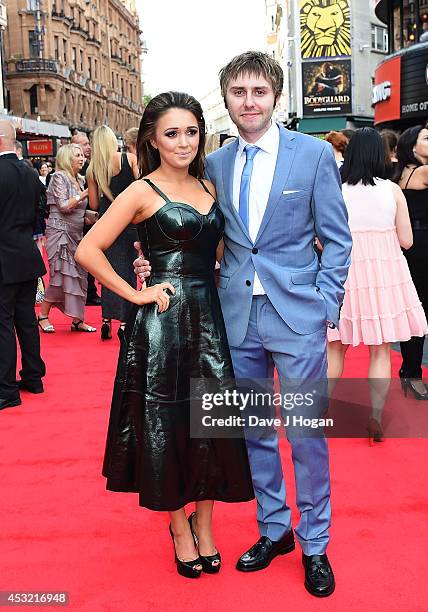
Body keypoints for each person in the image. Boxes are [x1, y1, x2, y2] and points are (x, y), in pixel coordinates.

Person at [134, 51, 352, 597]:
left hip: (296, 315)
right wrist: (152, 265)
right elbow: (198, 233)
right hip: (234, 320)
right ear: (226, 100)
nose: (248, 102)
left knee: (306, 436)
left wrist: (325, 302)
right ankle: (274, 529)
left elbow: (338, 238)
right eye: (238, 92)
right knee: (252, 432)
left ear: (275, 96)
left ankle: (315, 543)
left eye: (258, 91)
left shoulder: (314, 157)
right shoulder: (217, 164)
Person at [75, 91, 254, 579]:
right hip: (163, 324)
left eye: (191, 131)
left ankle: (207, 525)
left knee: (212, 423)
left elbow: (220, 256)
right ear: (152, 138)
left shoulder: (212, 186)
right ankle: (179, 527)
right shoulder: (141, 191)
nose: (183, 142)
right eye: (171, 133)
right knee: (167, 424)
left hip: (211, 322)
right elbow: (88, 250)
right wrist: (134, 296)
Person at [327, 128, 428, 442]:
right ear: (381, 156)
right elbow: (407, 241)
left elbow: (320, 240)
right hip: (383, 278)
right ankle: (374, 416)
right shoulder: (392, 191)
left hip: (343, 275)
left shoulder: (336, 191)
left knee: (335, 348)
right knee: (380, 350)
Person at [0, 120, 46, 410]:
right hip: (27, 255)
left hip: (3, 259)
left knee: (3, 323)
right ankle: (33, 377)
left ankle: (6, 390)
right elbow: (38, 215)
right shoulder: (30, 174)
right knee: (26, 319)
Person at [395, 126, 428, 399]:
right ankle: (413, 374)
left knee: (413, 308)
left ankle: (409, 371)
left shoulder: (400, 173)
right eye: (427, 138)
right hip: (422, 244)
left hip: (407, 244)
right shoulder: (427, 171)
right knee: (419, 310)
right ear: (412, 147)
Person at [86, 126, 139, 340]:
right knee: (128, 272)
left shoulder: (92, 170)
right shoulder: (129, 159)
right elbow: (142, 186)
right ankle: (125, 323)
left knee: (106, 273)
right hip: (129, 221)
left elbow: (93, 203)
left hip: (106, 224)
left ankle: (106, 320)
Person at [38, 144, 96, 333]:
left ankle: (78, 320)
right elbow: (64, 206)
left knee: (79, 276)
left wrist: (97, 216)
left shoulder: (79, 179)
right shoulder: (58, 177)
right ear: (66, 158)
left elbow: (79, 209)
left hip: (76, 234)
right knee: (59, 277)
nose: (82, 158)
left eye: (82, 155)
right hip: (59, 234)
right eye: (77, 155)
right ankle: (43, 315)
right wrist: (86, 192)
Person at [72, 131, 100, 306]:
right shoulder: (61, 175)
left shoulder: (88, 169)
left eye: (88, 144)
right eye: (83, 145)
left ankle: (89, 291)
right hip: (72, 226)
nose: (88, 147)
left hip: (89, 222)